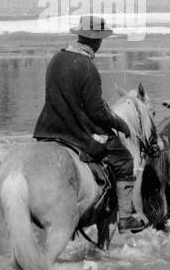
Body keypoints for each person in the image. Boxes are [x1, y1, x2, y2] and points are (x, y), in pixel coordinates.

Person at [33, 14, 148, 232]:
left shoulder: (57, 58)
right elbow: (97, 113)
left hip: (47, 129)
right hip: (76, 132)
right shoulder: (87, 67)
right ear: (97, 41)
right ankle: (125, 217)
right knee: (123, 160)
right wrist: (121, 124)